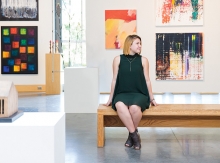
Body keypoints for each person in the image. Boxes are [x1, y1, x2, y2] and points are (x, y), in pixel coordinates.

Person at [105, 34, 157, 150]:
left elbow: (147, 80)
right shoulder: (117, 59)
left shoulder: (143, 60)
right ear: (130, 44)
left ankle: (131, 135)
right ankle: (134, 135)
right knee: (119, 105)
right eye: (137, 43)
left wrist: (152, 98)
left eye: (140, 43)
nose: (140, 46)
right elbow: (114, 80)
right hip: (121, 93)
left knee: (134, 108)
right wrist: (110, 98)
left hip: (139, 93)